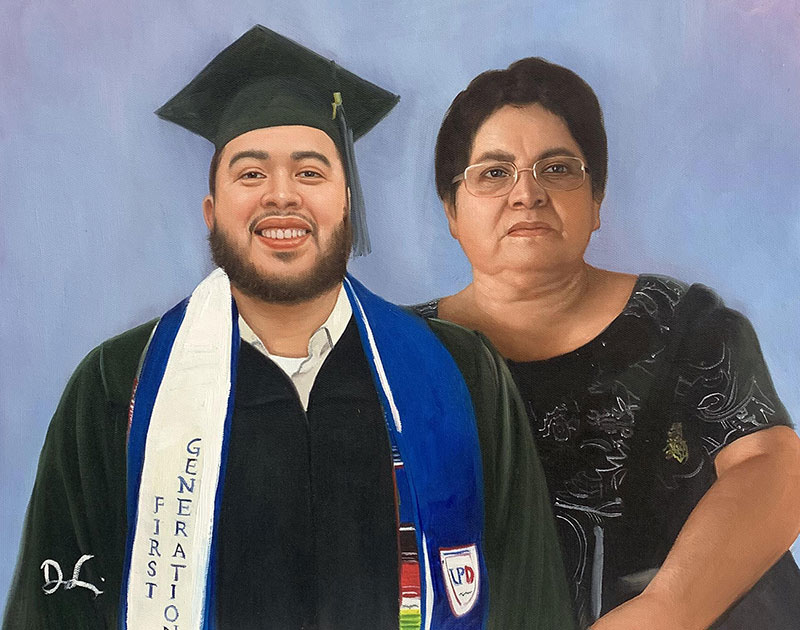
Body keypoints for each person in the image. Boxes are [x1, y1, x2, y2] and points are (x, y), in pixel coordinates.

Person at [2, 30, 575, 630]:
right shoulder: (120, 385)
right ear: (211, 211)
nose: (282, 196)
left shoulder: (459, 374)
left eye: (310, 172)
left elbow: (531, 604)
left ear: (347, 203)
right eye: (250, 175)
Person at [413, 57, 800, 630]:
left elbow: (773, 467)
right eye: (494, 172)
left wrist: (662, 612)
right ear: (451, 209)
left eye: (558, 169)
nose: (528, 193)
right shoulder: (398, 349)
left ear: (596, 201)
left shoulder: (684, 324)